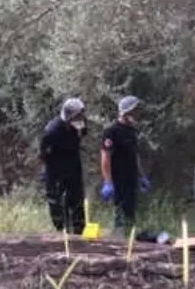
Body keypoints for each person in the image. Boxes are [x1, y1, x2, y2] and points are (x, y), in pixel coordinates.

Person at [100, 96, 150, 233]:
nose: (136, 115)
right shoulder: (111, 131)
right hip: (118, 180)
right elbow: (106, 157)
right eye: (134, 111)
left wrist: (141, 176)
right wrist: (108, 182)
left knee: (130, 213)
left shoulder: (132, 131)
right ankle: (119, 243)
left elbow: (135, 155)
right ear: (125, 112)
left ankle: (129, 240)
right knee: (120, 214)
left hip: (131, 179)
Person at [39, 97, 88, 234]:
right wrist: (49, 171)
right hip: (55, 169)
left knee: (77, 200)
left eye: (81, 115)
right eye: (77, 115)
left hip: (73, 165)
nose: (80, 118)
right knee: (57, 203)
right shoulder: (52, 131)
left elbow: (82, 134)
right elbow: (44, 153)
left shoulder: (81, 123)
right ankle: (62, 231)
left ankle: (79, 230)